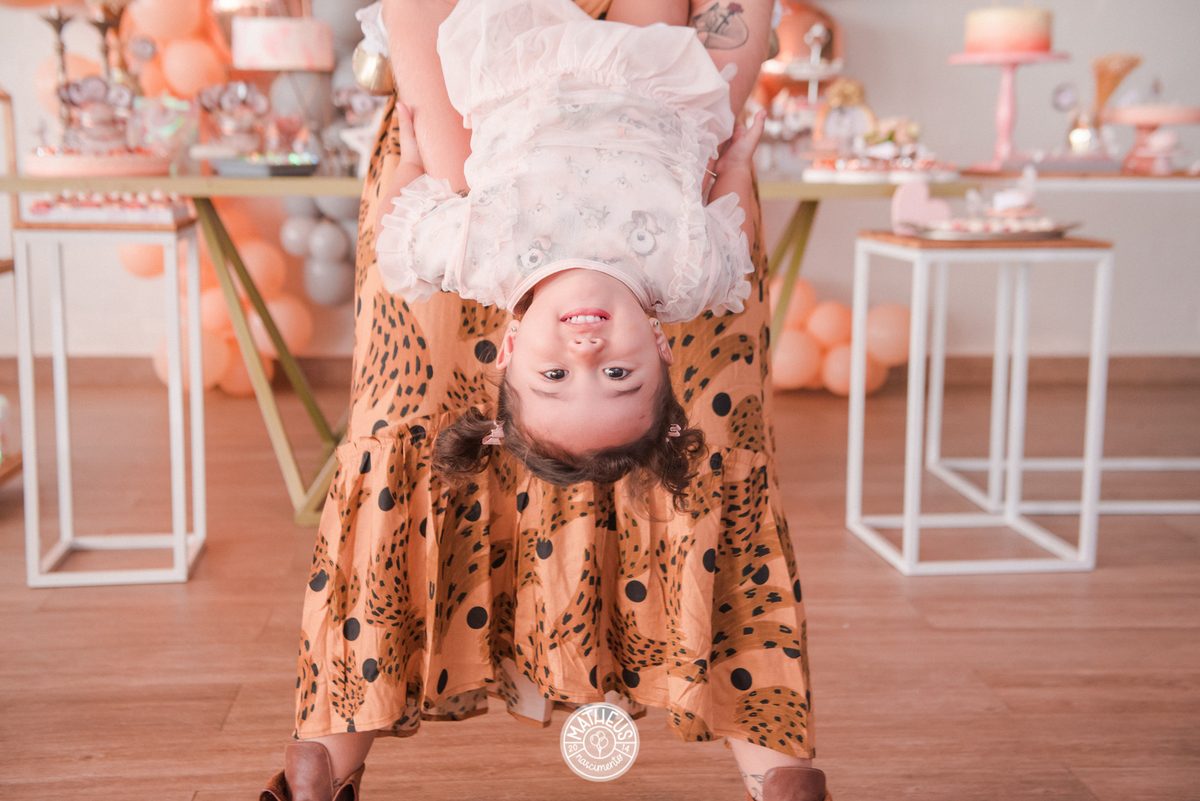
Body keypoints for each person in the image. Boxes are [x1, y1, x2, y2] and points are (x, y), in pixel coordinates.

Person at [261, 2, 830, 800]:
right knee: (430, 430)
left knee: (435, 426)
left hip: (498, 161)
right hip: (535, 154)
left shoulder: (656, 264)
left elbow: (411, 217)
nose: (587, 357)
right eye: (611, 371)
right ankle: (776, 767)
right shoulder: (685, 263)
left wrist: (439, 162)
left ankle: (322, 759)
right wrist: (702, 140)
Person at [371, 0, 768, 500]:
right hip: (644, 75)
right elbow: (734, 234)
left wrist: (411, 162)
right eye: (618, 375)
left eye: (555, 375)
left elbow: (399, 239)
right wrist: (736, 165)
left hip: (522, 69)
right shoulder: (688, 275)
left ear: (509, 349)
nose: (587, 351)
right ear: (660, 348)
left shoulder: (483, 258)